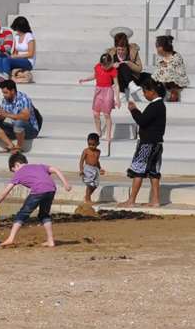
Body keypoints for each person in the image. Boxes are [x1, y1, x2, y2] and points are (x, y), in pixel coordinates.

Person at [0, 154, 70, 248]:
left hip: (38, 190)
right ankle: (50, 240)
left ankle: (11, 238)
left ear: (17, 165)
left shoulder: (19, 173)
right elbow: (55, 169)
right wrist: (66, 183)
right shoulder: (39, 166)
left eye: (14, 170)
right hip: (51, 189)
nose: (15, 173)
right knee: (44, 214)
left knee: (22, 214)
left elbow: (6, 190)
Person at [122, 74, 165, 208]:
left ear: (152, 92)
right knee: (153, 172)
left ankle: (131, 200)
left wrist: (134, 110)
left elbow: (142, 121)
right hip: (157, 143)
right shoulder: (161, 105)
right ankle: (156, 200)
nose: (145, 94)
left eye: (145, 92)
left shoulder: (154, 106)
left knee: (138, 170)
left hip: (147, 144)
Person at [79, 52, 118, 153]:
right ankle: (99, 131)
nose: (104, 67)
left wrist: (117, 98)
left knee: (106, 114)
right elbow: (95, 76)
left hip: (108, 91)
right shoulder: (97, 67)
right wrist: (85, 79)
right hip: (99, 91)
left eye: (106, 65)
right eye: (102, 65)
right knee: (96, 114)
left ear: (110, 63)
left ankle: (108, 135)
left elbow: (116, 85)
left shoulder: (113, 70)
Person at [0, 78, 40, 153]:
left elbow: (25, 117)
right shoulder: (5, 100)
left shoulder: (23, 99)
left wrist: (6, 114)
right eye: (3, 93)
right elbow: (3, 116)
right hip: (15, 128)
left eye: (6, 93)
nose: (4, 95)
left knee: (18, 122)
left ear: (12, 91)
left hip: (31, 130)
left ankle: (19, 147)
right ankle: (10, 145)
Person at [106, 28, 143, 100]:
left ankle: (126, 88)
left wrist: (129, 63)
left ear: (127, 47)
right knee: (119, 67)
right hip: (116, 79)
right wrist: (113, 66)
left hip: (131, 76)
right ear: (116, 48)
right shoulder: (111, 54)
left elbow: (139, 69)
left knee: (123, 65)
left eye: (123, 49)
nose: (121, 51)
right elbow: (104, 68)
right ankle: (128, 87)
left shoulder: (133, 51)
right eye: (119, 49)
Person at [151, 34, 189, 102]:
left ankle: (174, 93)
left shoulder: (176, 56)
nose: (156, 49)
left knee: (168, 75)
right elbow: (158, 69)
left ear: (164, 47)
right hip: (163, 79)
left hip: (175, 79)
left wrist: (166, 66)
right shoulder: (159, 58)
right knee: (154, 78)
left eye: (158, 47)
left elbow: (174, 69)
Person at [79, 132, 105, 204]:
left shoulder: (98, 152)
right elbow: (81, 161)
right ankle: (88, 199)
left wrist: (100, 169)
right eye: (89, 144)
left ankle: (87, 196)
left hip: (95, 169)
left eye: (93, 144)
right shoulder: (86, 151)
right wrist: (81, 170)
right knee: (89, 184)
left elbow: (97, 161)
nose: (91, 146)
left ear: (98, 143)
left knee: (95, 185)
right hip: (87, 169)